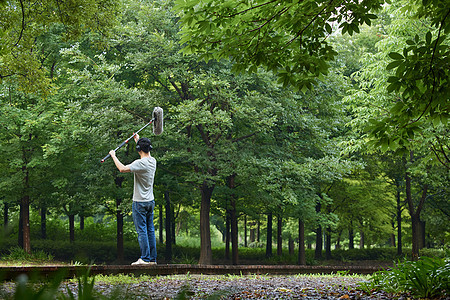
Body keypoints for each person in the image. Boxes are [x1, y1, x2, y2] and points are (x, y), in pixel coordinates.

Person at [109, 133, 157, 265]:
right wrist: (138, 140)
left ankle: (145, 258)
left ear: (139, 150)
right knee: (150, 230)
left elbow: (122, 168)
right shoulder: (152, 161)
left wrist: (113, 155)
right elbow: (144, 154)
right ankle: (152, 259)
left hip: (139, 202)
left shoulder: (139, 163)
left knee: (142, 230)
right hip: (150, 201)